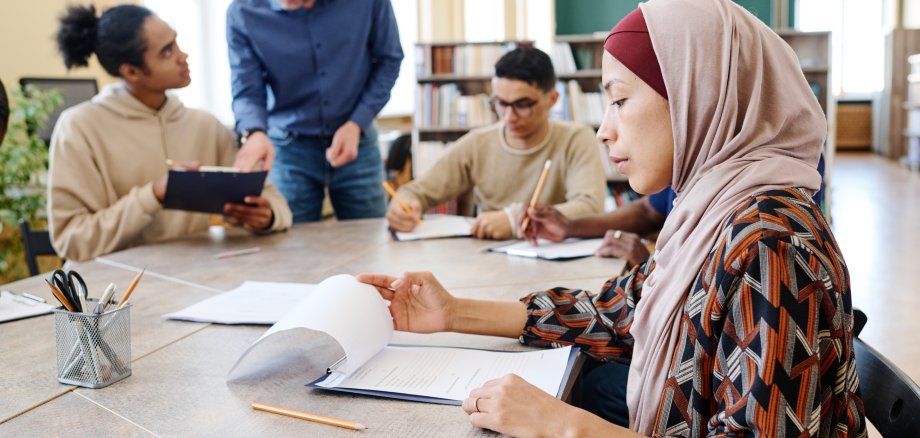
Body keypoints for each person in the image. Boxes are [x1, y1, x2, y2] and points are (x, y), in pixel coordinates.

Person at [358, 0, 866, 436]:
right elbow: (620, 309)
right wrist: (453, 313)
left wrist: (564, 425)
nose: (603, 129)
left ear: (697, 98)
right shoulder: (711, 210)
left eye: (620, 100)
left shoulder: (768, 244)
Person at [49, 4, 292, 262]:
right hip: (115, 291)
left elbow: (278, 206)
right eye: (166, 52)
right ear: (131, 71)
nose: (183, 56)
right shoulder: (79, 127)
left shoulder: (205, 125)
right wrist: (153, 194)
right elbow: (71, 241)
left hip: (194, 281)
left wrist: (266, 217)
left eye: (176, 43)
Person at [387, 47, 606, 240]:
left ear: (552, 99)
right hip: (489, 258)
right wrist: (402, 205)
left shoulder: (576, 138)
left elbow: (590, 208)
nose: (509, 116)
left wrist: (514, 219)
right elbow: (419, 191)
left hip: (556, 257)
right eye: (500, 103)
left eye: (522, 104)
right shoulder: (478, 143)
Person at [227, 0, 403, 223]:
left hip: (357, 140)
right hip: (288, 149)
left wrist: (358, 122)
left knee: (371, 238)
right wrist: (254, 132)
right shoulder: (243, 12)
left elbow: (389, 60)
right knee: (291, 246)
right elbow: (246, 88)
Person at [524, 155, 826, 267]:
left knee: (594, 381)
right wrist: (570, 227)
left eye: (621, 101)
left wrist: (654, 268)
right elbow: (649, 211)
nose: (605, 132)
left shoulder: (767, 218)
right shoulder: (696, 150)